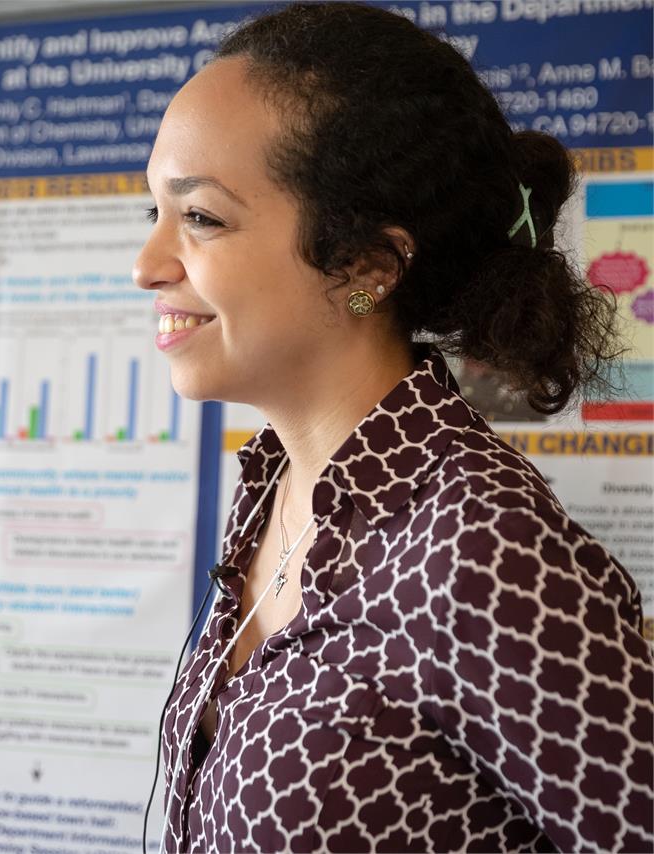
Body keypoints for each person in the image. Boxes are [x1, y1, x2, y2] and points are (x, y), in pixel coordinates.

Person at [131, 3, 653, 852]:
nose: (147, 265)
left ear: (367, 268)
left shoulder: (479, 547)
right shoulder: (276, 489)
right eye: (151, 213)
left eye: (202, 218)